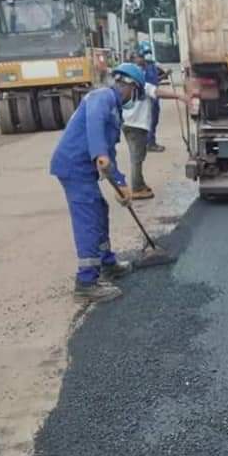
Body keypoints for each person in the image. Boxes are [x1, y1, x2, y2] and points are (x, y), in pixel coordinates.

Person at [50, 63, 143, 304]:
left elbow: (109, 154)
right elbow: (95, 130)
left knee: (100, 209)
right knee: (89, 217)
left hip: (83, 168)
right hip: (73, 166)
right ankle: (86, 283)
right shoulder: (101, 98)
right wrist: (99, 154)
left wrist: (121, 183)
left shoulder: (113, 108)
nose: (135, 98)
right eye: (136, 92)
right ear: (129, 86)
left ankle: (107, 263)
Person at [121, 61, 188, 200]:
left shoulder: (125, 87)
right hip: (137, 127)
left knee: (137, 156)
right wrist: (179, 96)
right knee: (137, 158)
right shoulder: (143, 86)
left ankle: (140, 183)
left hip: (127, 125)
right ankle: (137, 187)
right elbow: (158, 92)